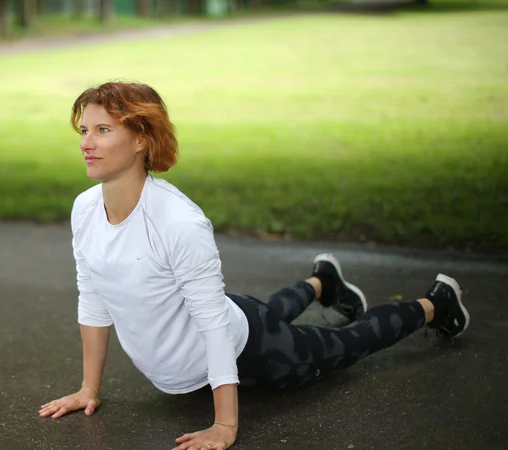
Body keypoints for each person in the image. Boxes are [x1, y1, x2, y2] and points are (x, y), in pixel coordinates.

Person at [38, 81, 471, 450]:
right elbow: (94, 295)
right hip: (229, 314)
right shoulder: (85, 209)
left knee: (346, 345)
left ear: (141, 139)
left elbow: (211, 322)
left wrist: (225, 426)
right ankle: (323, 282)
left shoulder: (179, 223)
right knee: (261, 310)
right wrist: (88, 390)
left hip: (252, 347)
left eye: (102, 130)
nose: (86, 143)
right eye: (83, 130)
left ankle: (437, 304)